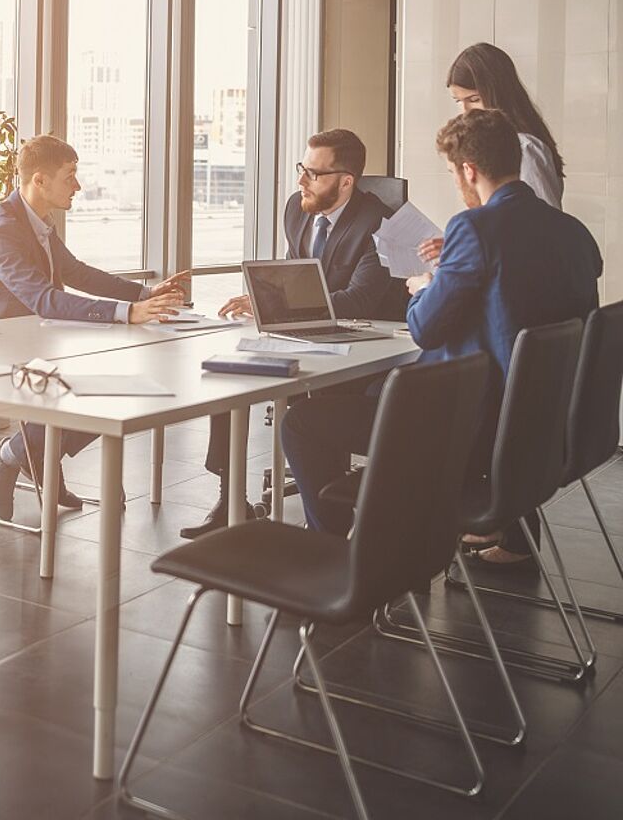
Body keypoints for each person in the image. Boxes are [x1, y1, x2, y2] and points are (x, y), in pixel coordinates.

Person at [281, 109, 601, 542]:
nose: (456, 182)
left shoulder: (473, 227)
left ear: (468, 171)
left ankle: (333, 549)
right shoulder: (574, 232)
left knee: (301, 421)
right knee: (376, 391)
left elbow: (425, 329)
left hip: (466, 427)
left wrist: (426, 285)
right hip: (544, 426)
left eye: (453, 173)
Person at [183, 128, 401, 539]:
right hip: (305, 336)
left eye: (313, 174)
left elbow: (358, 301)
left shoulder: (379, 224)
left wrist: (281, 306)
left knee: (306, 411)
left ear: (346, 181)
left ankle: (329, 522)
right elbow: (293, 276)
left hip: (362, 349)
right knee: (234, 374)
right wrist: (264, 300)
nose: (301, 181)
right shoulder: (297, 210)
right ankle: (231, 501)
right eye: (302, 169)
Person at [0, 134, 188, 521]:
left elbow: (75, 273)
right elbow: (45, 299)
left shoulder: (38, 222)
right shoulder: (4, 228)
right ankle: (14, 455)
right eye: (70, 176)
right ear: (39, 180)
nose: (78, 185)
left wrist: (143, 292)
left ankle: (26, 454)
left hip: (40, 343)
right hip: (2, 351)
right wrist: (128, 312)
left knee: (108, 390)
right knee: (89, 393)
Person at [416, 43, 565, 268]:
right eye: (459, 101)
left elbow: (546, 230)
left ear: (498, 94)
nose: (466, 111)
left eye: (474, 99)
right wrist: (464, 246)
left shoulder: (526, 148)